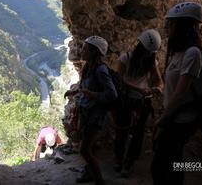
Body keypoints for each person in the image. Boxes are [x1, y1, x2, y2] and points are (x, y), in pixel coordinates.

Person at [151, 2, 202, 185]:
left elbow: (179, 94)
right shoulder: (180, 52)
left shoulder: (192, 53)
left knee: (163, 165)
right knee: (169, 161)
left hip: (181, 118)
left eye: (171, 23)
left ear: (183, 25)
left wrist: (162, 120)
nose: (166, 27)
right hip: (174, 116)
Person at [66, 36, 117, 185]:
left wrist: (92, 94)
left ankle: (99, 180)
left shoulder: (101, 70)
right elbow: (85, 87)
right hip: (86, 112)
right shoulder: (88, 67)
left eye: (86, 48)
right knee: (90, 146)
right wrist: (75, 93)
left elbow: (112, 94)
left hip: (95, 116)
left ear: (95, 52)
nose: (82, 50)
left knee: (84, 150)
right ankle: (89, 173)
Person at [113, 29, 164, 177]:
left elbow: (158, 80)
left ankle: (128, 161)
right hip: (127, 98)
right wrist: (139, 89)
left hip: (141, 101)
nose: (148, 54)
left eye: (150, 52)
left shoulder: (151, 61)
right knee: (121, 130)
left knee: (138, 133)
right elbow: (119, 80)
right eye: (146, 51)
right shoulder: (125, 59)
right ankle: (119, 158)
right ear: (140, 47)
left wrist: (158, 88)